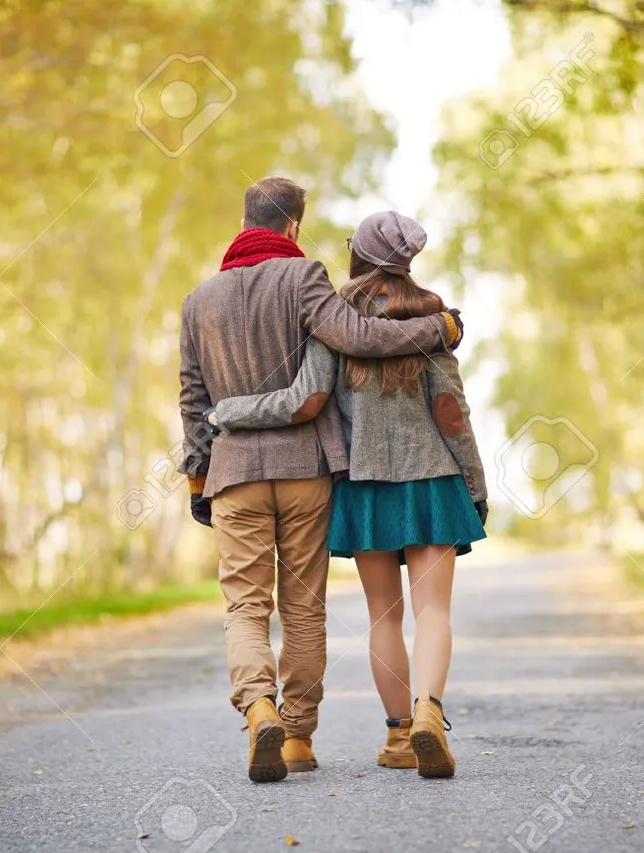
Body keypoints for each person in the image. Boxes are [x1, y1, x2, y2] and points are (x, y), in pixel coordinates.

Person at [178, 179, 465, 783]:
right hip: (308, 469)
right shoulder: (305, 279)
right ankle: (298, 740)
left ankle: (259, 708)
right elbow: (358, 342)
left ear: (246, 219)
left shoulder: (198, 301)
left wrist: (198, 480)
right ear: (294, 228)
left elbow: (192, 398)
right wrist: (439, 328)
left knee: (245, 609)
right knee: (304, 608)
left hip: (234, 474)